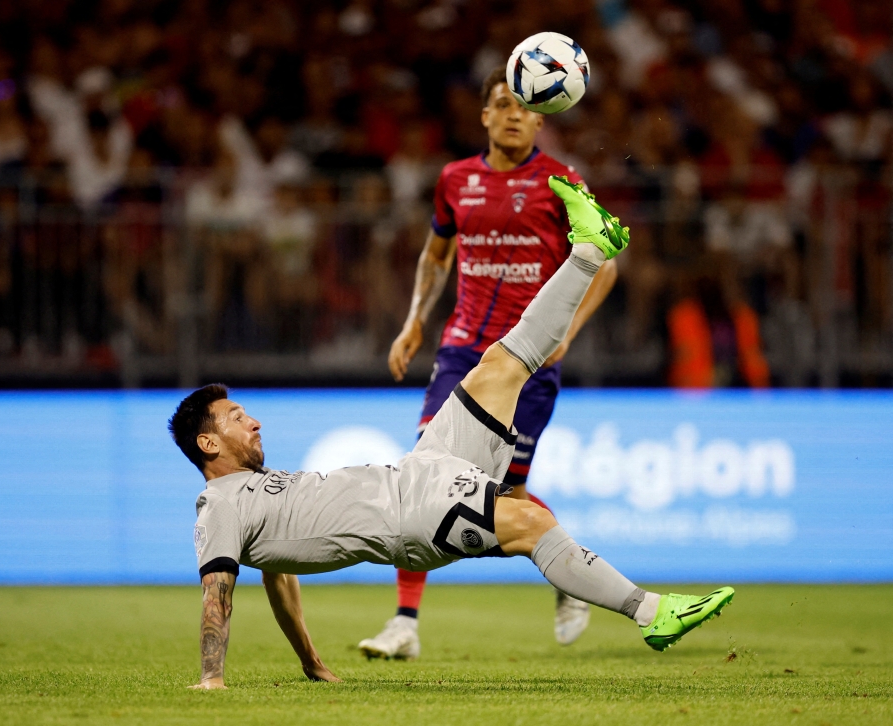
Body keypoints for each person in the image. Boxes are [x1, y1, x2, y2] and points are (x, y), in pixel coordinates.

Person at [170, 178, 733, 689]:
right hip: (409, 519)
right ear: (208, 443)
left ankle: (588, 250)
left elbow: (280, 580)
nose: (255, 419)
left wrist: (310, 662)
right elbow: (217, 594)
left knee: (499, 366)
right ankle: (651, 613)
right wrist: (211, 678)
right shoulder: (217, 506)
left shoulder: (260, 494)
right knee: (530, 520)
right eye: (237, 417)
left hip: (417, 469)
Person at [360, 65, 619, 659]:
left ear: (540, 117)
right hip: (463, 350)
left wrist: (568, 331)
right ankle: (404, 623)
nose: (513, 114)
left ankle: (569, 569)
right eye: (502, 104)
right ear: (485, 116)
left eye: (525, 107)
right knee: (423, 477)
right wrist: (413, 319)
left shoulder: (562, 181)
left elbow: (604, 263)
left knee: (509, 491)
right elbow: (436, 254)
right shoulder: (455, 179)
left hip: (528, 360)